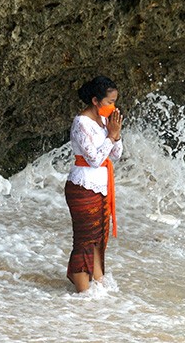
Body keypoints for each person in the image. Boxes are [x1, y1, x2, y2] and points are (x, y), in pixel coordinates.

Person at [65, 75, 123, 292]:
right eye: (110, 102)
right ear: (96, 101)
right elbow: (94, 160)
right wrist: (111, 137)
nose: (113, 106)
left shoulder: (105, 121)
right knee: (85, 239)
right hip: (83, 185)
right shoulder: (81, 123)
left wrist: (115, 134)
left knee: (98, 237)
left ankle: (98, 285)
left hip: (101, 186)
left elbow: (116, 154)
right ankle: (82, 288)